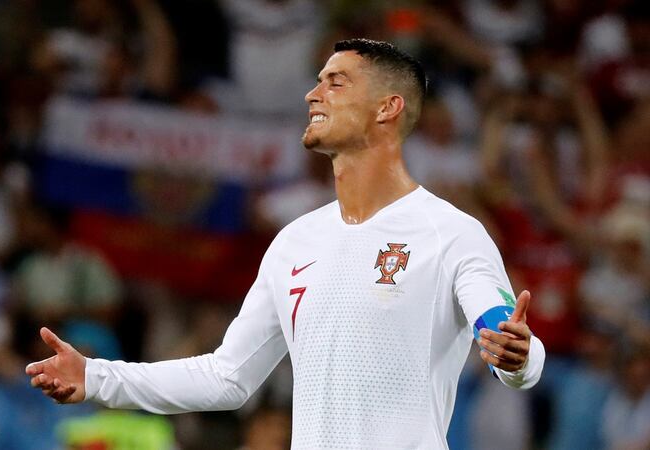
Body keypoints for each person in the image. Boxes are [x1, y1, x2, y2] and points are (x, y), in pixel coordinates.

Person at [27, 38, 546, 449]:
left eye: (335, 83)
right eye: (318, 81)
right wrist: (97, 377)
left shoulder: (451, 233)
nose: (312, 94)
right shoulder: (295, 241)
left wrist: (517, 357)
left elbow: (502, 328)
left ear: (388, 107)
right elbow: (227, 376)